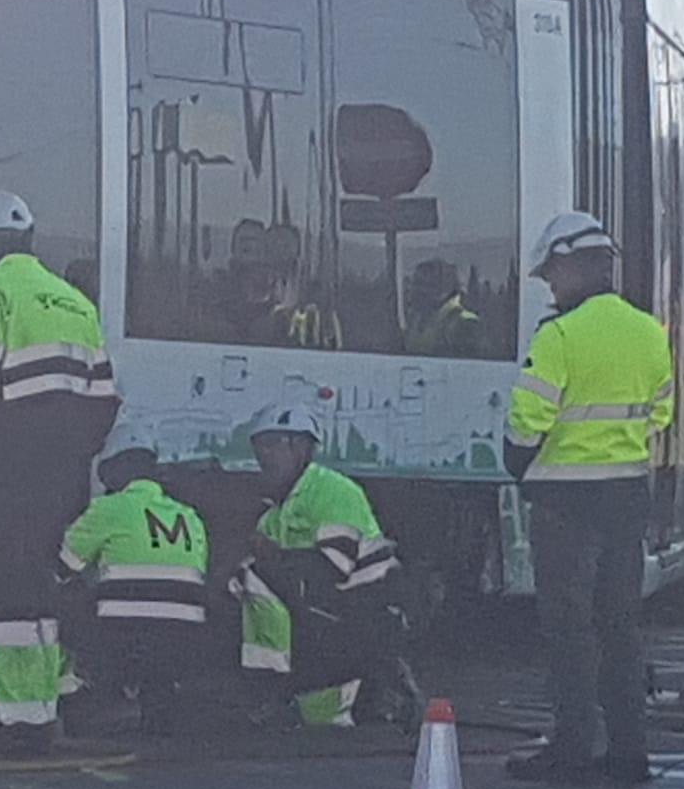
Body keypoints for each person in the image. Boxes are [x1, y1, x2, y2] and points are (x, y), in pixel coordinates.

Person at [503, 211, 672, 785]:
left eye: (552, 274)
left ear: (576, 265)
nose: (550, 285)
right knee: (620, 626)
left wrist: (518, 464)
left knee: (569, 629)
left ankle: (573, 747)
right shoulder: (650, 331)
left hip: (566, 505)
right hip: (627, 496)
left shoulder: (559, 336)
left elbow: (528, 420)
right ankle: (630, 753)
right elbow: (662, 413)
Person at [0, 190, 118, 757]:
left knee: (5, 590)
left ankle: (20, 724)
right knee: (46, 587)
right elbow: (105, 400)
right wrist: (73, 454)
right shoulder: (76, 302)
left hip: (13, 470)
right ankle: (46, 708)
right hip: (64, 475)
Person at [231, 403, 418, 729]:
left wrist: (273, 558)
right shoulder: (275, 513)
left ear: (303, 447)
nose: (265, 455)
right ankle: (355, 696)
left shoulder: (332, 490)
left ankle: (273, 685)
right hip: (331, 613)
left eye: (275, 444)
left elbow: (334, 566)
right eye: (260, 446)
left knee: (258, 577)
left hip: (370, 608)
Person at [58, 418, 208, 737]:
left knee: (59, 598)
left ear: (113, 468)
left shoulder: (109, 508)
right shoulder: (189, 516)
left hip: (120, 635)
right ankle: (157, 707)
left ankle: (78, 693)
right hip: (185, 637)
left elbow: (65, 565)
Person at [404, 259, 483, 358]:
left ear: (443, 289)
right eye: (414, 283)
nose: (415, 290)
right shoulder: (416, 319)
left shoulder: (465, 322)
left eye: (424, 284)